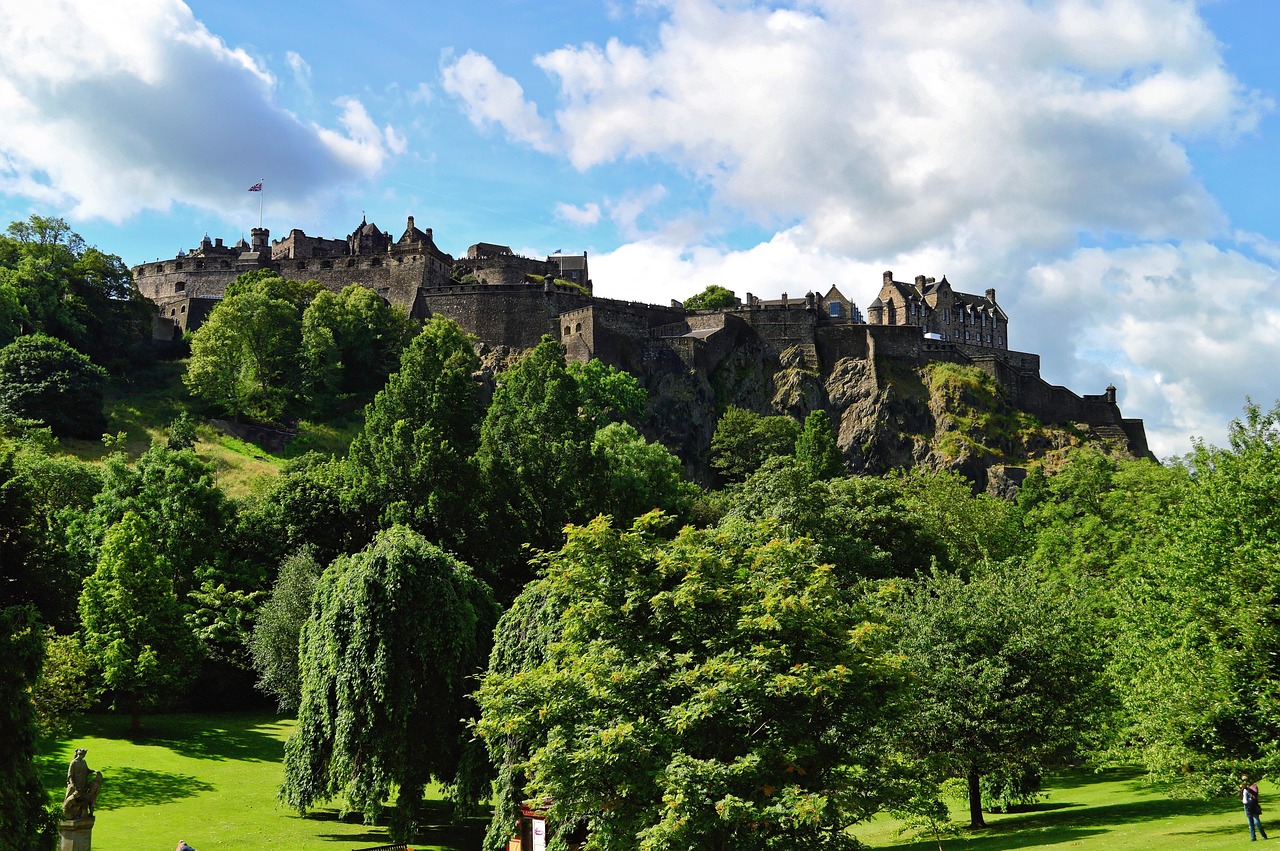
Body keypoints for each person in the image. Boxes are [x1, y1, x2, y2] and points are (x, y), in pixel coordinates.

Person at [1243, 775, 1268, 841]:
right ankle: (1253, 837)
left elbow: (1255, 793)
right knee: (1250, 823)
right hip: (1247, 806)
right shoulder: (1243, 787)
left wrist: (1248, 789)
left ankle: (1263, 835)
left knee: (1256, 822)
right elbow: (1240, 795)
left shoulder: (1254, 786)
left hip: (1253, 805)